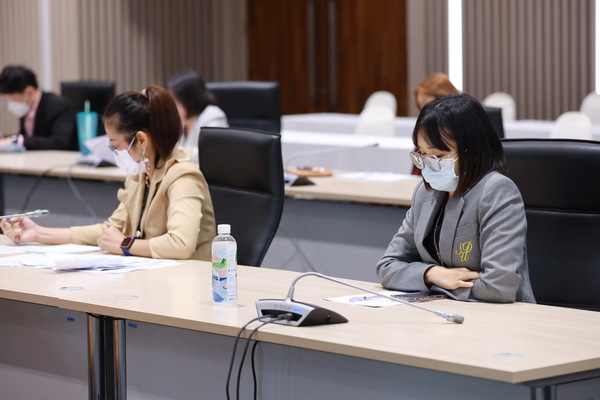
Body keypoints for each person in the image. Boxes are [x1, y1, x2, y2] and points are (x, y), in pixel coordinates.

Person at [0, 85, 216, 260]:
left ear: (141, 140)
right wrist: (39, 233)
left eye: (115, 144)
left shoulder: (183, 176)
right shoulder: (141, 174)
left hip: (188, 283)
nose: (114, 152)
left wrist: (125, 244)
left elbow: (180, 244)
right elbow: (111, 229)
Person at [376, 93, 535, 303]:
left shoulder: (497, 191)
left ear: (472, 151)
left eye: (438, 156)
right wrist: (432, 274)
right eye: (422, 154)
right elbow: (387, 266)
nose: (427, 164)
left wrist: (427, 283)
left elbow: (498, 287)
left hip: (497, 314)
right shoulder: (425, 192)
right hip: (446, 310)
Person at [0, 65, 77, 150]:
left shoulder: (61, 106)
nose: (12, 104)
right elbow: (29, 139)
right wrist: (5, 139)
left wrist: (16, 140)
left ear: (29, 92)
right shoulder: (26, 107)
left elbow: (58, 142)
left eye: (14, 99)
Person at [166, 69, 228, 163]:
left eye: (175, 101)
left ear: (189, 99)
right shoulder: (181, 121)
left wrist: (176, 154)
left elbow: (212, 152)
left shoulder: (213, 115)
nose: (172, 106)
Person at [411, 73, 460, 175]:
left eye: (427, 105)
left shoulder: (459, 129)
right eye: (420, 106)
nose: (424, 113)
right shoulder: (423, 133)